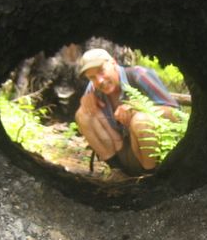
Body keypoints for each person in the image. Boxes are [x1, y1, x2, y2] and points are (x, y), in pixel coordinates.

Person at [75, 48, 179, 176]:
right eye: (92, 77)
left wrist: (139, 108)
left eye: (101, 71)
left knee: (141, 120)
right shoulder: (93, 87)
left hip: (151, 154)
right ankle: (117, 171)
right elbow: (84, 119)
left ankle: (150, 177)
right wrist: (84, 102)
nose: (99, 80)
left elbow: (176, 115)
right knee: (82, 114)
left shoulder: (140, 75)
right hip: (121, 152)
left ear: (113, 63)